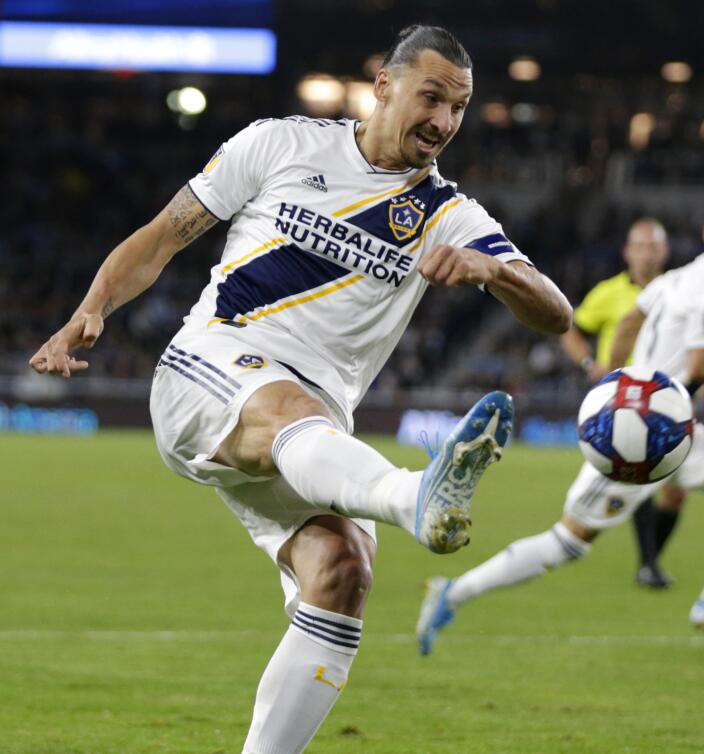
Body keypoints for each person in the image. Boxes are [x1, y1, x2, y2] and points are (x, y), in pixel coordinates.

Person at [29, 25, 571, 754]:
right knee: (295, 412)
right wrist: (91, 308)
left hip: (309, 438)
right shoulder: (280, 144)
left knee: (342, 571)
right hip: (211, 368)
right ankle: (416, 496)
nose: (444, 122)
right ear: (384, 85)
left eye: (460, 108)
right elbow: (165, 235)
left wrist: (492, 272)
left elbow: (555, 311)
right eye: (432, 97)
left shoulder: (448, 214)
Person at [416, 190, 704, 654]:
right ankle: (454, 591)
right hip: (638, 440)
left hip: (668, 431)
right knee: (566, 542)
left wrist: (614, 382)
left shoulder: (679, 278)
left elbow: (631, 320)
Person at [559, 217, 687, 589]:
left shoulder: (677, 290)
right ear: (627, 252)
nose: (648, 252)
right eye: (641, 245)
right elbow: (572, 329)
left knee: (676, 493)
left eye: (655, 245)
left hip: (665, 403)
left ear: (664, 251)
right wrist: (588, 363)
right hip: (618, 404)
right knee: (639, 469)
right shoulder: (608, 292)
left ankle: (649, 560)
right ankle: (649, 564)